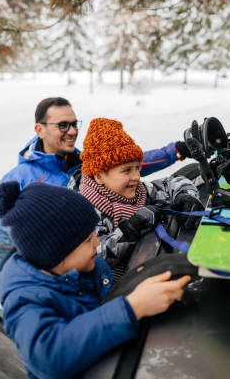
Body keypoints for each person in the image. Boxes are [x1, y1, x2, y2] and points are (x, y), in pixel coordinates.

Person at [0, 181, 191, 378]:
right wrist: (132, 308)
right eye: (88, 239)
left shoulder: (88, 265)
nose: (97, 243)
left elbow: (112, 299)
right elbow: (49, 358)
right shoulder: (23, 297)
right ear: (58, 252)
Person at [0, 97, 192, 273]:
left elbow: (127, 168)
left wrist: (174, 151)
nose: (72, 132)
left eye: (74, 124)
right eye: (63, 125)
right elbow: (6, 243)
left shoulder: (83, 161)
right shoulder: (20, 180)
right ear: (39, 129)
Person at [77, 118, 204, 277]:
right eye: (127, 170)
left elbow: (173, 182)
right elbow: (93, 258)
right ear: (100, 176)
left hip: (144, 270)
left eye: (137, 168)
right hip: (109, 292)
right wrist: (130, 229)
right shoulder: (86, 211)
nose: (137, 176)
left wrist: (186, 195)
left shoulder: (140, 191)